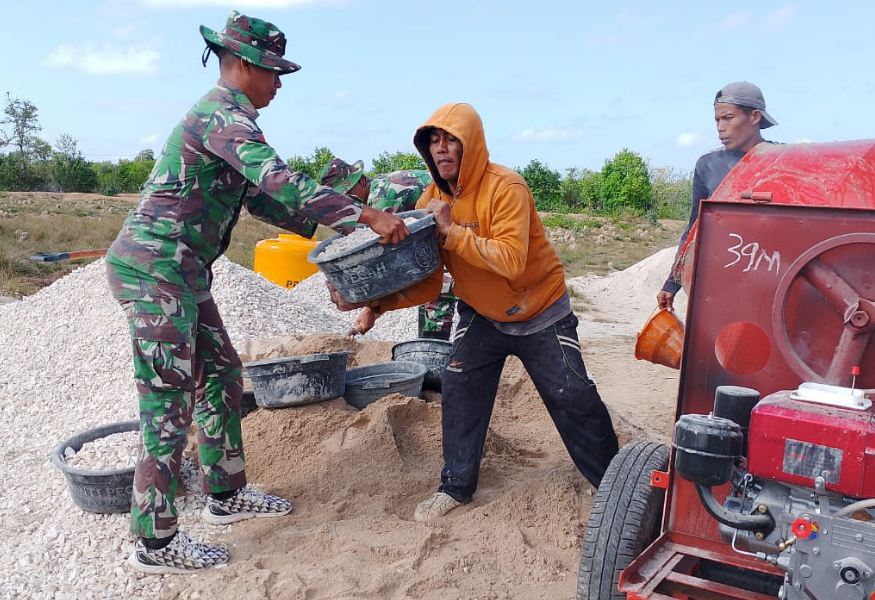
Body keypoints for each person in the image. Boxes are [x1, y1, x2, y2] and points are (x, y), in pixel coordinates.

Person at [104, 11, 408, 575]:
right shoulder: (221, 115)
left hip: (185, 273)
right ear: (243, 64)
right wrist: (365, 214)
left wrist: (338, 215)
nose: (279, 83)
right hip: (155, 271)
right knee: (168, 401)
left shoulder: (235, 120)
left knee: (220, 375)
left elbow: (267, 203)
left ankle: (225, 494)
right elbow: (277, 181)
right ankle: (155, 540)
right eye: (273, 71)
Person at [327, 103, 620, 521]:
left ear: (471, 145)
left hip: (541, 311)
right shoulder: (431, 199)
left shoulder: (506, 188)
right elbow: (429, 280)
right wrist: (372, 304)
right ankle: (456, 487)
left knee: (571, 394)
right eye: (433, 141)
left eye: (450, 140)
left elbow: (512, 261)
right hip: (482, 314)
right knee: (459, 386)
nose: (441, 149)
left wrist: (451, 231)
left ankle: (613, 482)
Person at [657, 81, 778, 313]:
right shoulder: (708, 166)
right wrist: (671, 284)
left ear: (754, 117)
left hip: (770, 280)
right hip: (721, 282)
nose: (720, 127)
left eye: (728, 118)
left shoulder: (781, 161)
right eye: (717, 120)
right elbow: (695, 228)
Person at [318, 157, 457, 339]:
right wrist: (372, 311)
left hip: (458, 222)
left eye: (348, 196)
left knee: (437, 287)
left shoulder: (381, 199)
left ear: (360, 181)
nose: (347, 204)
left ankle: (432, 348)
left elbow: (389, 264)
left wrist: (370, 307)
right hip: (439, 230)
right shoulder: (377, 190)